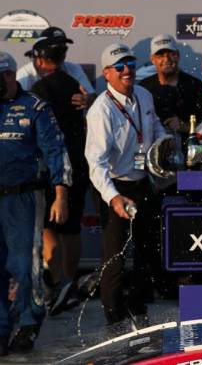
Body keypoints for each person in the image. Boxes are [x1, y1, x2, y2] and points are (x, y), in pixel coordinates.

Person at [85, 43, 168, 327]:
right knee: (116, 257)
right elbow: (95, 164)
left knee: (147, 251)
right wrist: (113, 198)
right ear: (107, 73)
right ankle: (113, 318)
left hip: (142, 183)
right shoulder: (101, 110)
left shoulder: (144, 94)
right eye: (119, 67)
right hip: (115, 187)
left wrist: (166, 144)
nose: (127, 71)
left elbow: (154, 127)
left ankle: (139, 310)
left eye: (130, 65)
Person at [0, 51, 70, 354]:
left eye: (3, 74)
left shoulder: (35, 107)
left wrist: (60, 194)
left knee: (25, 268)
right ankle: (2, 328)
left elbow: (57, 151)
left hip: (23, 198)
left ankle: (28, 323)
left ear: (13, 75)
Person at [27, 34, 93, 317]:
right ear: (62, 59)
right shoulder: (75, 86)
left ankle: (59, 283)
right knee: (72, 226)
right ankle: (68, 284)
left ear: (41, 61)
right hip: (78, 163)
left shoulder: (38, 89)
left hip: (52, 167)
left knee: (48, 225)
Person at [140, 34, 202, 145]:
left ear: (177, 55)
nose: (166, 59)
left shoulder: (195, 86)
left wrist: (184, 126)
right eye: (160, 55)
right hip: (152, 153)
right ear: (152, 59)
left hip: (190, 154)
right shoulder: (143, 89)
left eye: (171, 54)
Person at [16, 27, 96, 109]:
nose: (60, 53)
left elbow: (92, 96)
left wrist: (87, 100)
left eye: (63, 48)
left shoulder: (74, 68)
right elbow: (17, 107)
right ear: (40, 58)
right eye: (55, 49)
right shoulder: (24, 75)